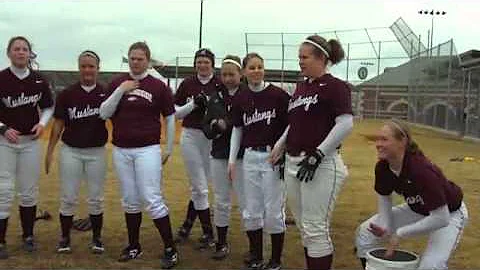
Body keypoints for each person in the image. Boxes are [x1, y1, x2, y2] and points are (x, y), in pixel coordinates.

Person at [270, 35, 353, 270]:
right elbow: (295, 122)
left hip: (321, 164)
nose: (300, 61)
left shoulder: (336, 87)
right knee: (305, 227)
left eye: (304, 57)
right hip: (295, 162)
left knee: (316, 227)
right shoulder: (302, 86)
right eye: (300, 57)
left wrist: (318, 154)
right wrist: (281, 144)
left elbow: (345, 123)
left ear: (321, 58)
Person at [99, 41, 178, 269]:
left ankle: (170, 248)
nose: (135, 62)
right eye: (132, 58)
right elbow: (104, 113)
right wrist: (121, 90)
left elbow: (170, 116)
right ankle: (134, 245)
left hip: (147, 149)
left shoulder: (158, 86)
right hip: (122, 149)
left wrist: (170, 147)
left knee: (152, 198)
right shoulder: (117, 82)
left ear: (147, 60)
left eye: (140, 58)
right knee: (130, 200)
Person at [355, 119, 468, 270]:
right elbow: (385, 198)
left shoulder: (421, 170)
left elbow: (441, 218)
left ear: (402, 141)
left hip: (449, 213)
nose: (378, 144)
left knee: (430, 266)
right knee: (365, 233)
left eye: (384, 139)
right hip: (418, 209)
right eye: (378, 139)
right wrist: (385, 225)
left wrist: (401, 233)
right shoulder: (383, 167)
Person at [228, 52, 290, 270]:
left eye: (259, 67)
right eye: (251, 68)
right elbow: (237, 128)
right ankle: (255, 255)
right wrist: (232, 160)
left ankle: (275, 259)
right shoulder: (241, 98)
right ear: (244, 72)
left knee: (273, 210)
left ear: (264, 69)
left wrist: (281, 146)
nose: (256, 71)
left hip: (272, 157)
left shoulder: (278, 95)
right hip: (250, 157)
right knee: (251, 209)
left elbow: (293, 123)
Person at [45, 50, 107, 254]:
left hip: (96, 151)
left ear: (98, 68)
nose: (87, 70)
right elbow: (58, 124)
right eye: (83, 66)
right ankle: (65, 238)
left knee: (96, 198)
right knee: (68, 196)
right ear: (78, 68)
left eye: (91, 66)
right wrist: (50, 151)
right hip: (71, 151)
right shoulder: (68, 94)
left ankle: (97, 238)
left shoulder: (105, 93)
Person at [0, 36, 54, 259]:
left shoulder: (39, 80)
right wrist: (3, 127)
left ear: (29, 54)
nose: (21, 52)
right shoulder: (1, 78)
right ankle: (1, 240)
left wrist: (42, 124)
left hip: (30, 142)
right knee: (3, 191)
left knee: (29, 191)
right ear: (9, 53)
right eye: (16, 49)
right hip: (5, 142)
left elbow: (49, 107)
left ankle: (28, 236)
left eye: (24, 49)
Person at [174, 48, 220, 249]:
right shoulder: (187, 83)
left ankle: (187, 224)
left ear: (212, 64)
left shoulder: (218, 83)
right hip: (191, 136)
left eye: (206, 62)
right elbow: (176, 114)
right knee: (200, 187)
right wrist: (193, 104)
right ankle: (209, 232)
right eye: (199, 62)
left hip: (211, 138)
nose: (202, 65)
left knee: (199, 188)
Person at [202, 55, 245, 260]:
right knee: (221, 200)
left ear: (240, 74)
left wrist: (225, 123)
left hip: (243, 156)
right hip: (219, 154)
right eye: (224, 74)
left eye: (232, 74)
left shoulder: (248, 94)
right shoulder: (215, 96)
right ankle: (221, 242)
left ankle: (256, 246)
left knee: (247, 202)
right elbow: (206, 126)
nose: (228, 78)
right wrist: (213, 127)